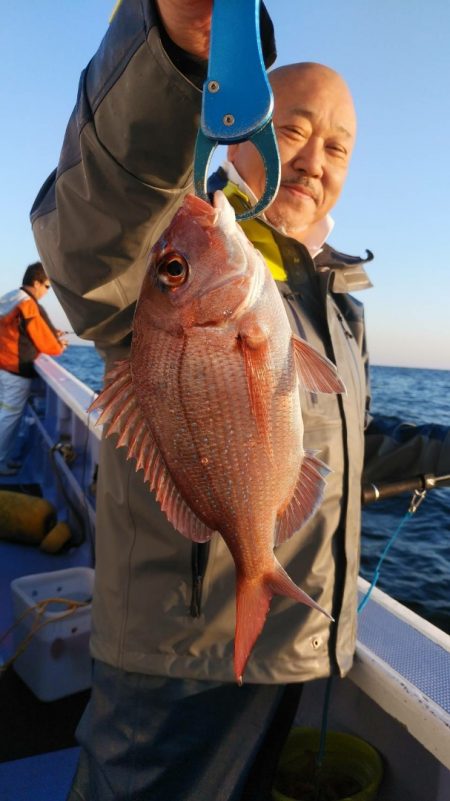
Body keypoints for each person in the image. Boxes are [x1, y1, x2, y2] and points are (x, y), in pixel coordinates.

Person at [30, 2, 450, 799]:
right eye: (292, 130)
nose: (315, 158)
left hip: (294, 645)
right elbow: (99, 219)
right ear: (235, 132)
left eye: (338, 145)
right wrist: (173, 56)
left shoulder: (335, 305)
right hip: (176, 661)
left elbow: (344, 443)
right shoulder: (164, 247)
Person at [0, 262, 66, 476]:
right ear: (36, 282)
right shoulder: (29, 304)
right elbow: (49, 345)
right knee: (8, 418)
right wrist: (59, 344)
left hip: (3, 367)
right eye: (47, 287)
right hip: (15, 371)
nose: (47, 292)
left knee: (3, 415)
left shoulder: (10, 297)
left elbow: (18, 331)